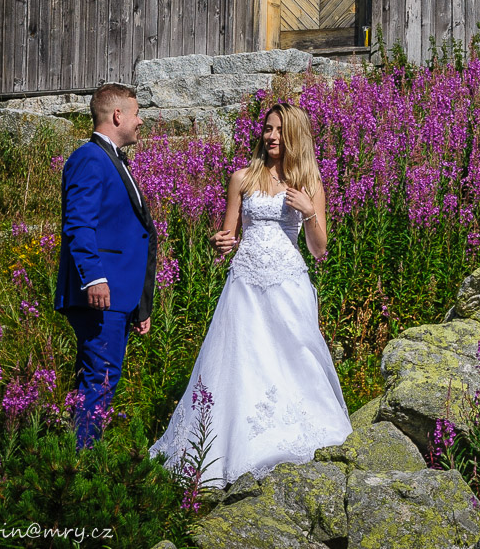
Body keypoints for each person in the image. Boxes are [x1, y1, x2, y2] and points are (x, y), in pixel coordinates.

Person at [149, 102, 351, 484]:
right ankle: (228, 449)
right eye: (267, 129)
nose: (271, 136)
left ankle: (300, 438)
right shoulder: (242, 177)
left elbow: (320, 249)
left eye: (278, 130)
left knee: (296, 358)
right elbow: (229, 237)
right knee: (241, 360)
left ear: (294, 135)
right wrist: (222, 244)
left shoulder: (309, 183)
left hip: (289, 282)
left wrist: (309, 210)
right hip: (245, 282)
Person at [54, 83, 157, 449]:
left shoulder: (111, 159)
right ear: (117, 116)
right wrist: (95, 278)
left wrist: (138, 304)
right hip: (102, 294)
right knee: (101, 378)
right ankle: (81, 463)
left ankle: (75, 454)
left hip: (118, 297)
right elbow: (78, 223)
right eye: (136, 112)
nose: (140, 120)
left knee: (99, 377)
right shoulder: (90, 158)